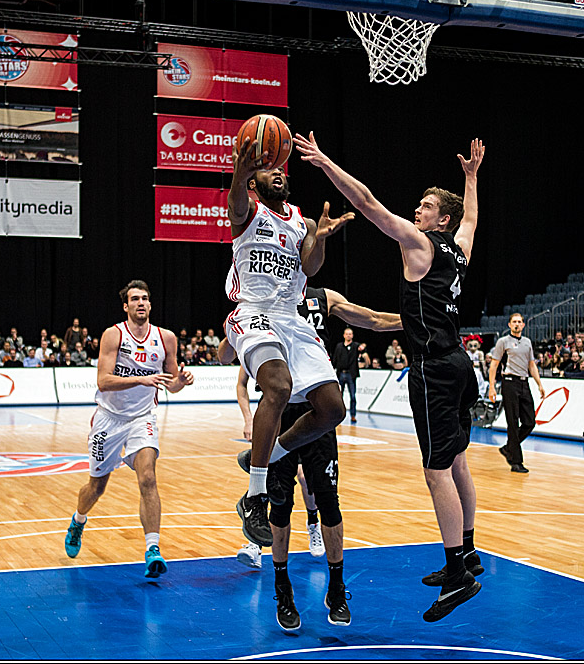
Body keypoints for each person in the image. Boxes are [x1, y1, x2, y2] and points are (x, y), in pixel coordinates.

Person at [295, 130, 486, 623]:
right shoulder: (459, 249)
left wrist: (324, 162)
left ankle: (457, 573)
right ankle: (466, 553)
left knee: (436, 471)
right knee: (459, 460)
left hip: (435, 371)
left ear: (436, 220)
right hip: (460, 364)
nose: (416, 211)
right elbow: (470, 219)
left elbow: (367, 201)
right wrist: (471, 179)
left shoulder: (419, 245)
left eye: (424, 206)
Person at [224, 285, 401, 629]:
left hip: (317, 412)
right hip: (279, 413)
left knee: (329, 503)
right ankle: (282, 588)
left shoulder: (322, 297)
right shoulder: (259, 297)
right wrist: (237, 327)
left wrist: (414, 319)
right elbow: (225, 355)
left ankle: (336, 588)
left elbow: (373, 319)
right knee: (280, 505)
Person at [223, 135, 352, 548]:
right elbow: (235, 196)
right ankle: (255, 496)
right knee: (277, 387)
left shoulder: (302, 222)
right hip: (253, 312)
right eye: (268, 169)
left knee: (333, 409)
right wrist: (243, 166)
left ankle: (267, 455)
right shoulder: (246, 211)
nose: (278, 172)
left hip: (291, 318)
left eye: (281, 168)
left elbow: (310, 266)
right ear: (254, 182)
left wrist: (322, 236)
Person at [63, 280, 193, 578]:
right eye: (135, 299)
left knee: (148, 477)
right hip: (109, 418)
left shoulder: (166, 338)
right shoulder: (114, 335)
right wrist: (140, 380)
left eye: (145, 298)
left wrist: (181, 382)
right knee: (97, 487)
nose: (141, 303)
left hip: (142, 417)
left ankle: (152, 549)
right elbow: (103, 381)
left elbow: (170, 384)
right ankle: (78, 521)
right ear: (126, 306)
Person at [488, 314, 547, 473]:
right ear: (509, 324)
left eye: (519, 322)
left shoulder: (527, 342)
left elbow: (532, 365)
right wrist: (492, 387)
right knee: (512, 422)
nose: (517, 324)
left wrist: (539, 384)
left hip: (524, 382)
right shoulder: (503, 342)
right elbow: (494, 365)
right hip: (509, 383)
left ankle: (509, 448)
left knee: (530, 422)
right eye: (514, 322)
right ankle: (516, 462)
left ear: (523, 325)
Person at [331, 328, 360, 423]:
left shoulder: (355, 346)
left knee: (352, 396)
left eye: (350, 334)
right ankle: (338, 415)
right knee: (339, 396)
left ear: (352, 335)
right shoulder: (339, 346)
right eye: (347, 334)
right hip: (340, 374)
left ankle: (353, 415)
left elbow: (363, 349)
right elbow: (334, 360)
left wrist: (363, 347)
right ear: (344, 335)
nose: (348, 335)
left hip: (351, 374)